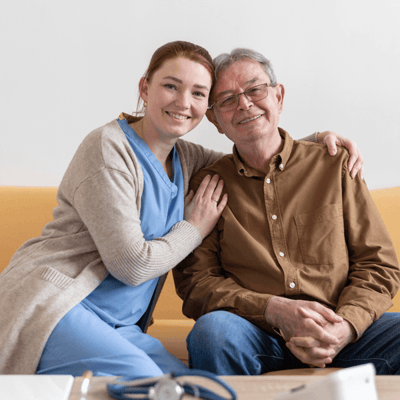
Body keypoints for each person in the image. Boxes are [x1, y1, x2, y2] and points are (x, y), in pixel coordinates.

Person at [0, 41, 362, 377]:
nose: (183, 102)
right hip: (55, 306)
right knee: (147, 384)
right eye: (171, 86)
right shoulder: (107, 150)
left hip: (120, 327)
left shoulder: (186, 157)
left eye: (198, 93)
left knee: (194, 386)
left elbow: (254, 156)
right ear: (145, 88)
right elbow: (132, 266)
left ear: (208, 111)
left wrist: (312, 145)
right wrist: (194, 227)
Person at [173, 48, 400, 376]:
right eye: (227, 99)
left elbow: (377, 264)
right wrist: (272, 309)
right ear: (214, 119)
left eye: (255, 90)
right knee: (213, 333)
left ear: (278, 96)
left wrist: (346, 326)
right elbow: (198, 283)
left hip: (343, 332)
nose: (245, 104)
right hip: (257, 334)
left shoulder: (334, 165)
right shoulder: (208, 183)